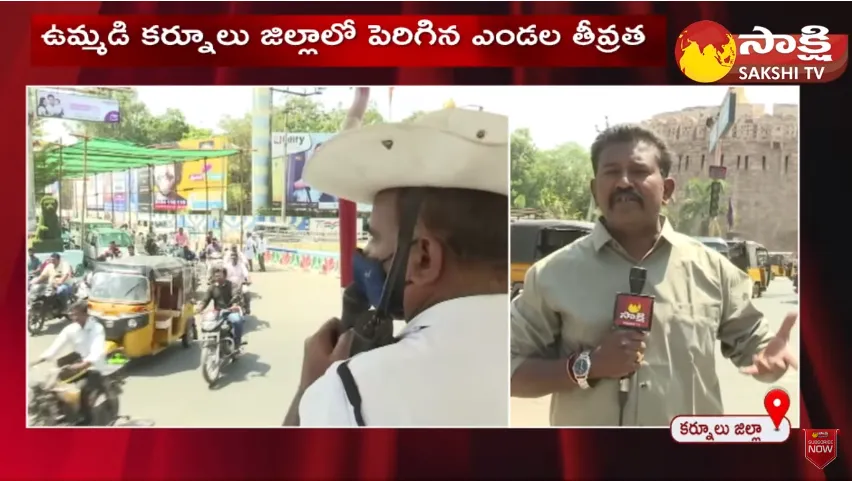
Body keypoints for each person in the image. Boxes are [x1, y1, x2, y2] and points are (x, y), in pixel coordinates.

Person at [510, 125, 799, 427]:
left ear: (668, 189)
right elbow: (509, 369)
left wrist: (770, 362)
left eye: (638, 171)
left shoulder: (714, 271)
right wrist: (587, 366)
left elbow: (758, 350)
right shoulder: (552, 275)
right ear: (595, 190)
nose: (624, 182)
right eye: (612, 172)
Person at [283, 101, 509, 427]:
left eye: (374, 238)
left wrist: (312, 388)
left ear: (423, 259)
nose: (366, 253)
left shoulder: (353, 390)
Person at [29, 299, 107, 425]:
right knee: (50, 384)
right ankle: (60, 413)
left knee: (82, 389)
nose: (73, 317)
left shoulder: (96, 329)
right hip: (78, 363)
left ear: (86, 314)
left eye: (77, 314)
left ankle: (86, 420)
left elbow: (96, 351)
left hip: (95, 366)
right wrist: (37, 361)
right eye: (72, 314)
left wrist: (84, 364)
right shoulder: (71, 329)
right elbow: (55, 347)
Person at [197, 267, 245, 354]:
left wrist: (234, 305)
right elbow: (205, 300)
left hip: (230, 311)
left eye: (220, 275)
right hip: (217, 312)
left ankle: (237, 343)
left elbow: (236, 296)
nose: (217, 277)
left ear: (225, 275)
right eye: (216, 275)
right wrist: (200, 307)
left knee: (237, 320)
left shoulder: (232, 285)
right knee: (205, 324)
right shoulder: (212, 288)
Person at [225, 249, 251, 314]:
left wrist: (249, 280)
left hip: (240, 285)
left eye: (235, 256)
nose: (233, 258)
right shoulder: (227, 266)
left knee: (246, 291)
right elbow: (223, 274)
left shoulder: (241, 265)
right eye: (232, 256)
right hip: (229, 286)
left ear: (237, 257)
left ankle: (247, 307)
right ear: (230, 257)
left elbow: (246, 274)